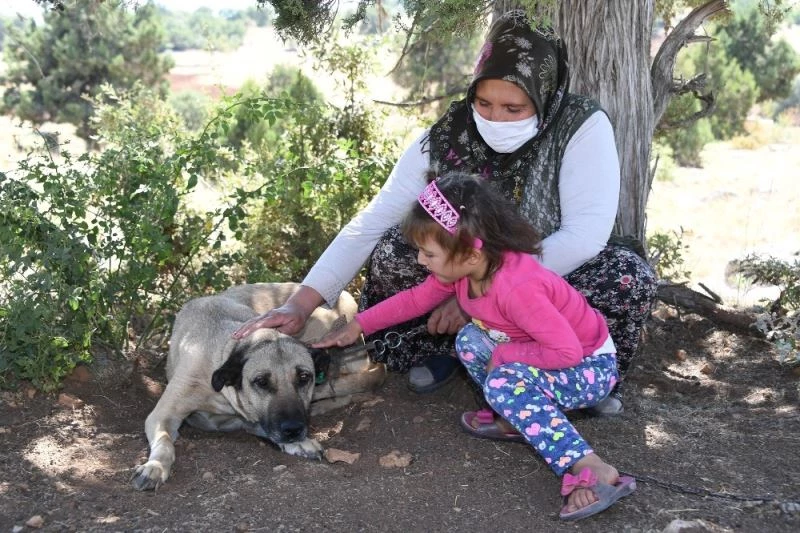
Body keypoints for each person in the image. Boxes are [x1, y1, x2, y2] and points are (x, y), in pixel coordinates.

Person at [233, 11, 657, 411]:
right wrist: (300, 305)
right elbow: (373, 222)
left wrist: (482, 290)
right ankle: (443, 352)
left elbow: (584, 236)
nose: (496, 118)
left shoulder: (580, 126)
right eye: (484, 104)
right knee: (394, 254)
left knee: (625, 277)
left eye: (514, 109)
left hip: (542, 276)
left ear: (544, 97)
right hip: (462, 273)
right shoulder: (446, 137)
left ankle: (580, 378)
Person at [313, 172, 636, 521]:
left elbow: (567, 352)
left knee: (503, 381)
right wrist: (359, 325)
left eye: (428, 253)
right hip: (545, 352)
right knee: (469, 341)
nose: (421, 260)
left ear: (469, 254)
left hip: (588, 366)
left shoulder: (518, 288)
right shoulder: (468, 271)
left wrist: (504, 355)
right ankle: (515, 419)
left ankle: (590, 466)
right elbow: (415, 300)